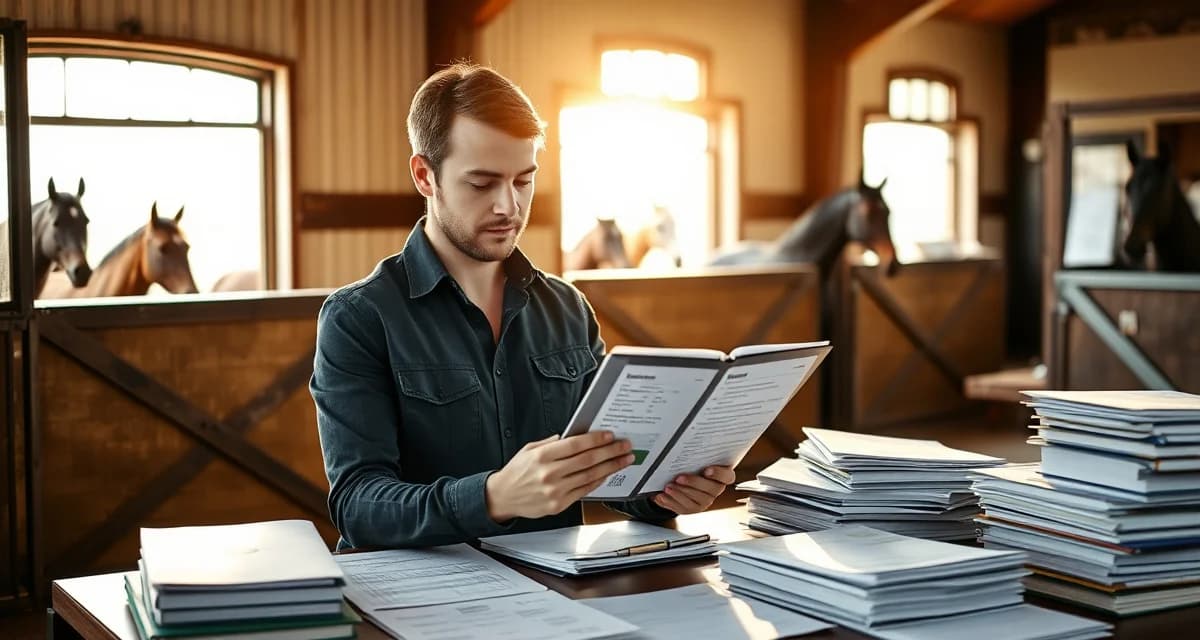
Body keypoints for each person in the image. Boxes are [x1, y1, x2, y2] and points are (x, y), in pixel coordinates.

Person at [310, 63, 734, 549]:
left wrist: (663, 494)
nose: (508, 207)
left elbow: (608, 469)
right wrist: (492, 497)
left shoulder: (567, 308)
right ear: (425, 176)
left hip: (559, 583)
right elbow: (358, 506)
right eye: (482, 183)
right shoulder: (358, 318)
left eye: (523, 181)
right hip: (418, 589)